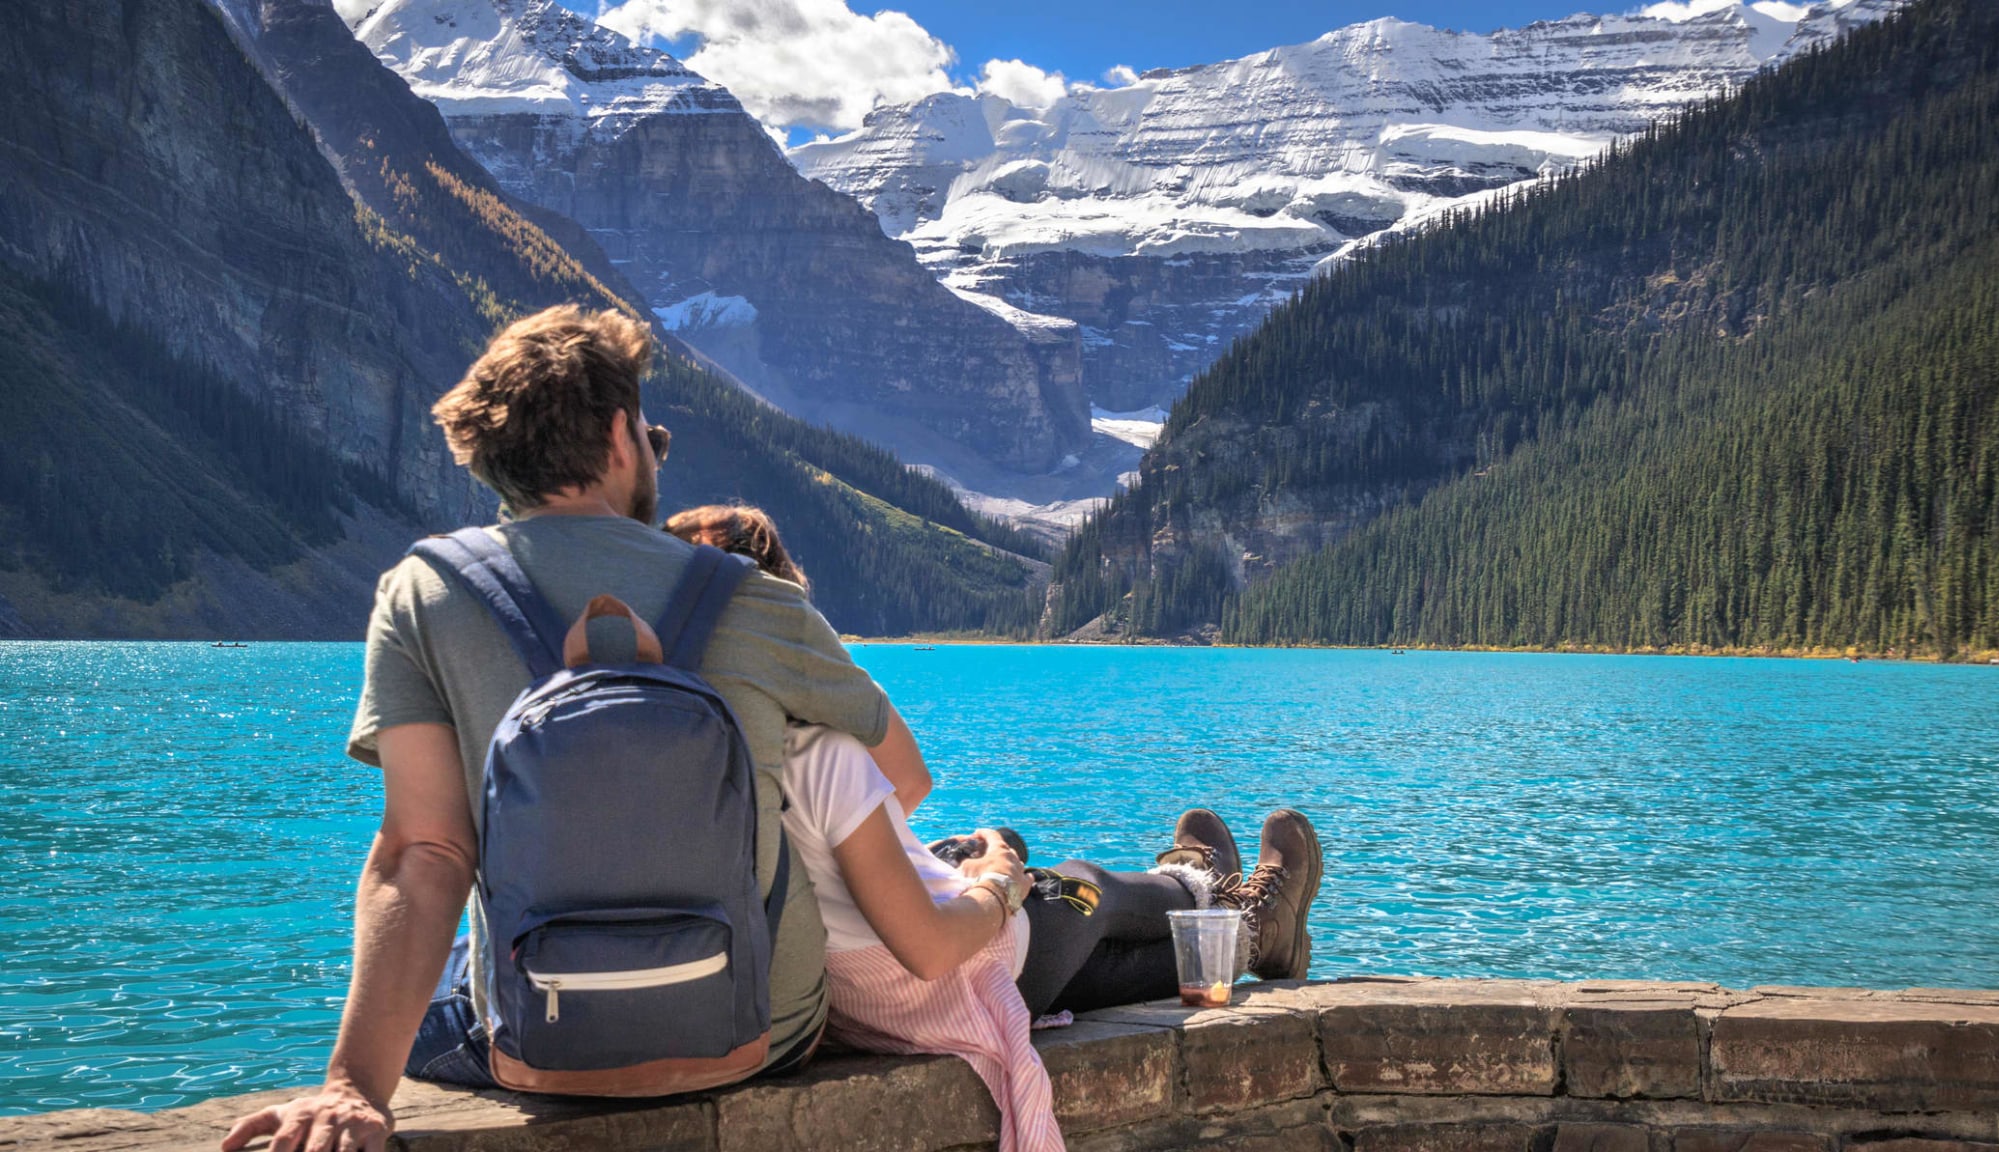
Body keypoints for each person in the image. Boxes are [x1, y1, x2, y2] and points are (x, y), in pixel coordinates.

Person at [222, 307, 935, 1152]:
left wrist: (352, 1089)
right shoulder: (756, 597)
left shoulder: (424, 595)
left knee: (454, 983)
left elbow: (428, 853)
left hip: (539, 1047)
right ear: (619, 436)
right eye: (652, 438)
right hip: (761, 1036)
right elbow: (905, 780)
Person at [668, 505, 1325, 1152]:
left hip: (855, 1006)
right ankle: (1206, 886)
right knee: (1077, 887)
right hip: (939, 974)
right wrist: (998, 882)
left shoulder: (689, 752)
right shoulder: (819, 752)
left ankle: (1253, 936)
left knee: (1092, 968)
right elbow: (923, 902)